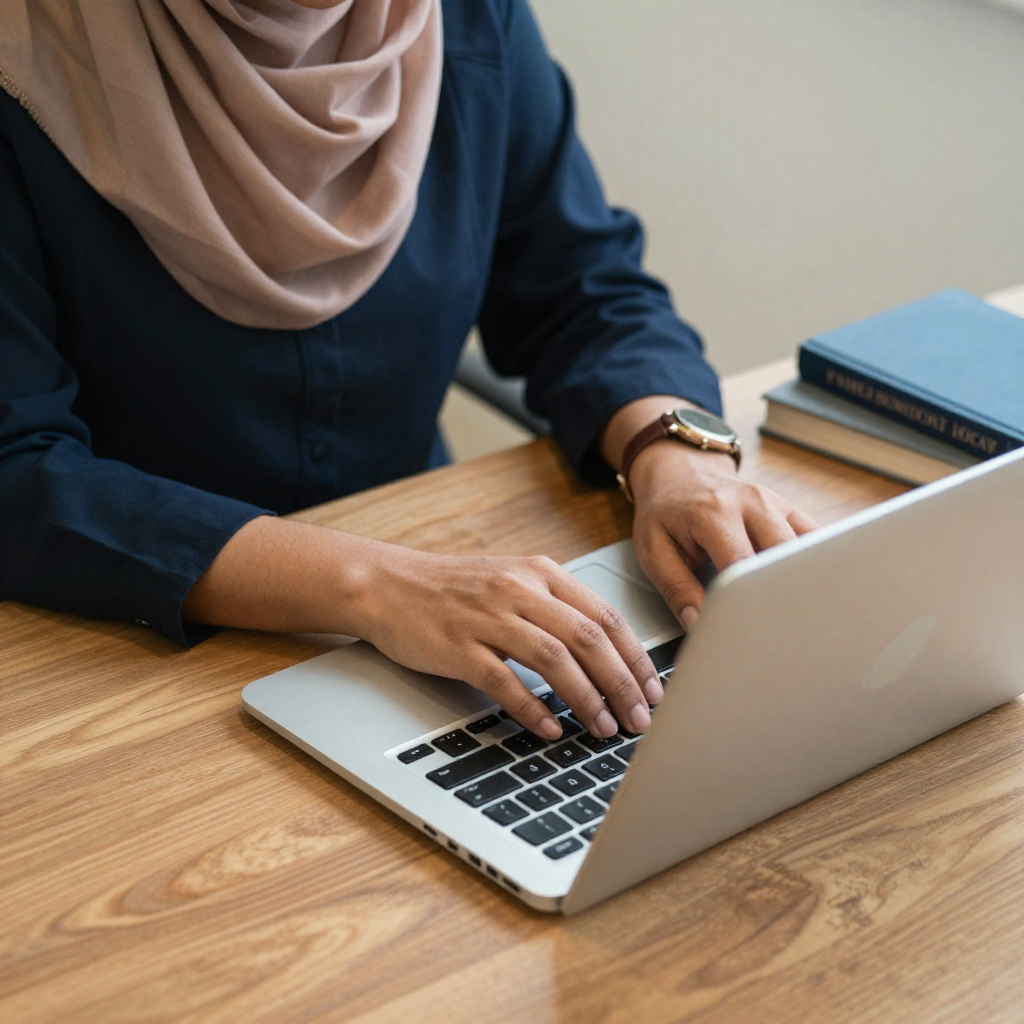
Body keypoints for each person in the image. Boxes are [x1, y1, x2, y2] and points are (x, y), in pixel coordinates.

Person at [0, 0, 815, 743]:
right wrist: (374, 585)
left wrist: (674, 454)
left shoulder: (468, 19)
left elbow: (584, 287)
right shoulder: (23, 59)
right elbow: (15, 468)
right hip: (121, 654)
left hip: (436, 604)